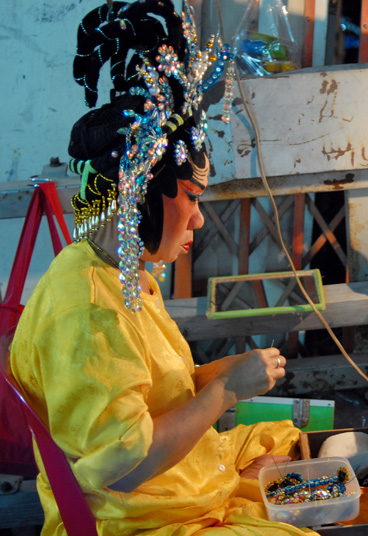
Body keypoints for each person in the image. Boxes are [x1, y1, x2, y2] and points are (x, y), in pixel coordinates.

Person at [8, 2, 318, 534]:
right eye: (191, 198)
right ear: (142, 197)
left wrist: (220, 375)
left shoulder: (119, 270)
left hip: (179, 485)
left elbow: (148, 392)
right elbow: (125, 467)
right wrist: (222, 393)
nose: (198, 218)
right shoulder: (86, 312)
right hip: (140, 517)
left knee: (294, 442)